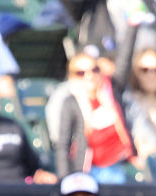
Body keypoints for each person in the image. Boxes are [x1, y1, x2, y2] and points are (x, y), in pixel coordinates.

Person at [53, 50, 136, 183]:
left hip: (120, 165)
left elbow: (124, 62)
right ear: (72, 76)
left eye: (94, 70)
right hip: (90, 170)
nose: (89, 76)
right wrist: (64, 179)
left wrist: (132, 29)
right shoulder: (71, 102)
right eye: (81, 73)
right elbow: (63, 144)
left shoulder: (111, 93)